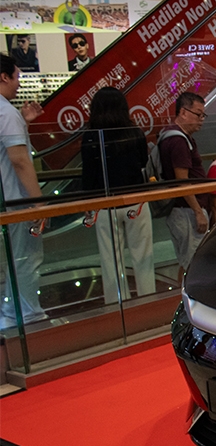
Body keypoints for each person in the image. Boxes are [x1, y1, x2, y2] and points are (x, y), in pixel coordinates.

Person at [80, 87, 156, 305]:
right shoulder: (134, 132)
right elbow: (143, 163)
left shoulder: (91, 137)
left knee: (111, 261)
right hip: (135, 201)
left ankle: (117, 306)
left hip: (106, 204)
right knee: (143, 256)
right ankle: (148, 302)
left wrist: (88, 202)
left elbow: (89, 173)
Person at [0, 53, 47, 329]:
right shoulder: (6, 113)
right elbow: (19, 160)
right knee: (25, 259)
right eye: (17, 77)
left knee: (12, 260)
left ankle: (11, 312)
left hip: (6, 200)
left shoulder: (8, 113)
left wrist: (24, 122)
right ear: (4, 77)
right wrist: (38, 203)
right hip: (16, 201)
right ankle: (28, 316)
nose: (19, 83)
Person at [160, 91, 209, 282]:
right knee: (192, 262)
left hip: (183, 209)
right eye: (198, 114)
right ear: (183, 112)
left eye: (203, 115)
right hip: (186, 210)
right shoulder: (178, 141)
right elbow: (182, 181)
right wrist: (198, 211)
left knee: (188, 260)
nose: (201, 120)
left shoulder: (171, 135)